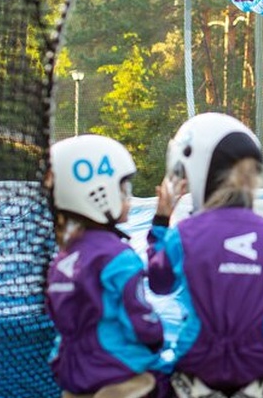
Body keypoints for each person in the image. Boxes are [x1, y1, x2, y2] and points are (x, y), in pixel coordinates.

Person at [147, 112, 263, 398]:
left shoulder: (185, 234)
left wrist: (160, 221)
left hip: (198, 363)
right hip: (261, 364)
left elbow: (158, 282)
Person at [45, 134, 167, 398]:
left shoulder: (62, 259)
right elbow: (141, 323)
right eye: (124, 190)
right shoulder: (118, 257)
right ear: (99, 193)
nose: (128, 199)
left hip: (73, 377)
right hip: (118, 377)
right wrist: (158, 337)